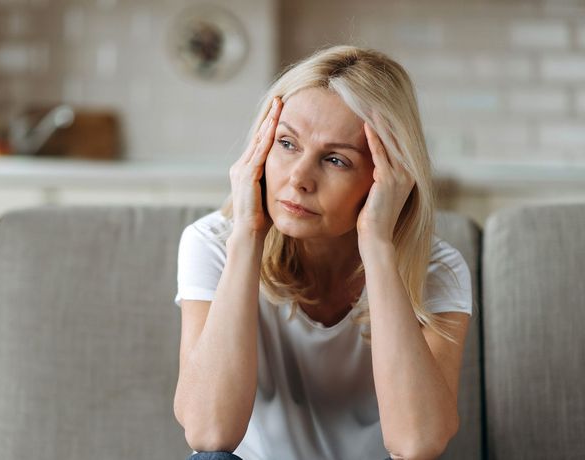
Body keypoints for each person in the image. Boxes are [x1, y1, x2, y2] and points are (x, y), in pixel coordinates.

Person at [172, 45, 473, 460]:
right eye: (286, 143)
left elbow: (418, 444)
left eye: (335, 159)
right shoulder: (212, 243)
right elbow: (208, 434)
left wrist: (378, 247)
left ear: (388, 176)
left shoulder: (438, 268)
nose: (298, 179)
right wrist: (246, 234)